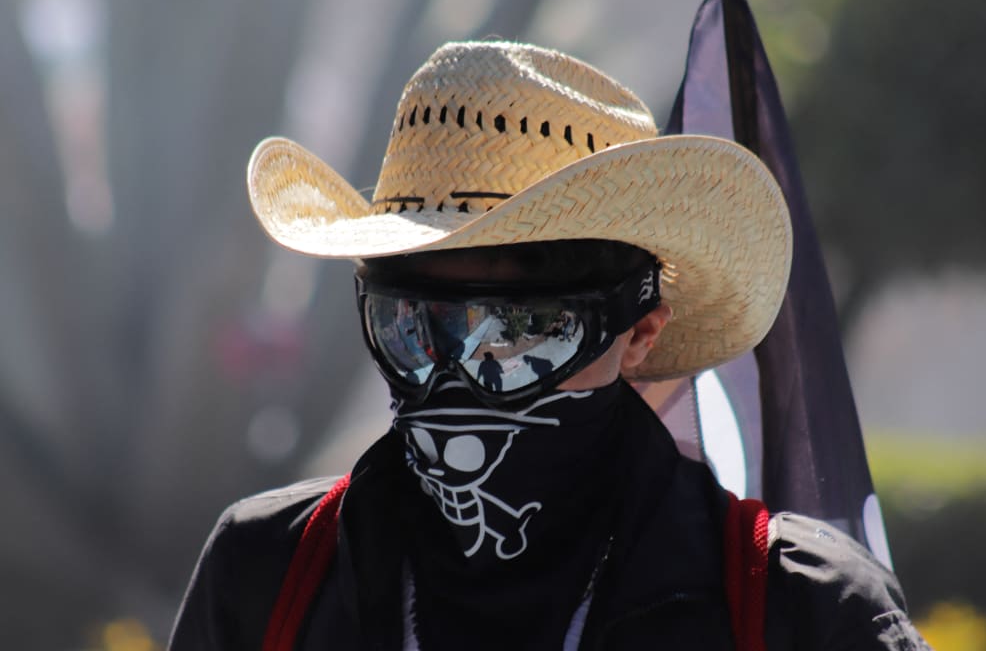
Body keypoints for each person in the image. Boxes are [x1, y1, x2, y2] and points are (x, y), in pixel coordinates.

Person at [170, 41, 928, 650]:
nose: (453, 377)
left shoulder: (798, 610)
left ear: (641, 332)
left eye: (520, 333)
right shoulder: (269, 574)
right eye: (412, 327)